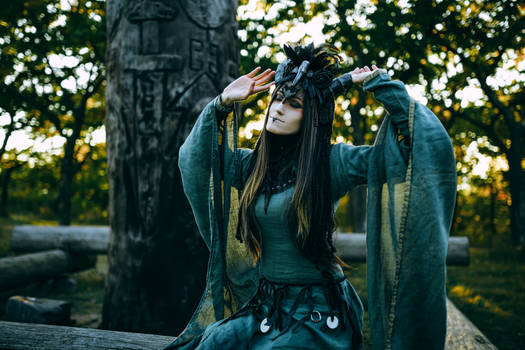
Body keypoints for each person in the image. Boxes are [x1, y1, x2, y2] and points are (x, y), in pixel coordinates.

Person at [164, 43, 456, 350]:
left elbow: (417, 152)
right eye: (276, 99)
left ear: (313, 115)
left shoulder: (334, 162)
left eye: (293, 104)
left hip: (320, 313)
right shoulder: (251, 166)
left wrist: (382, 86)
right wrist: (222, 103)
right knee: (209, 344)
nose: (277, 108)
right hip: (266, 306)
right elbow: (194, 159)